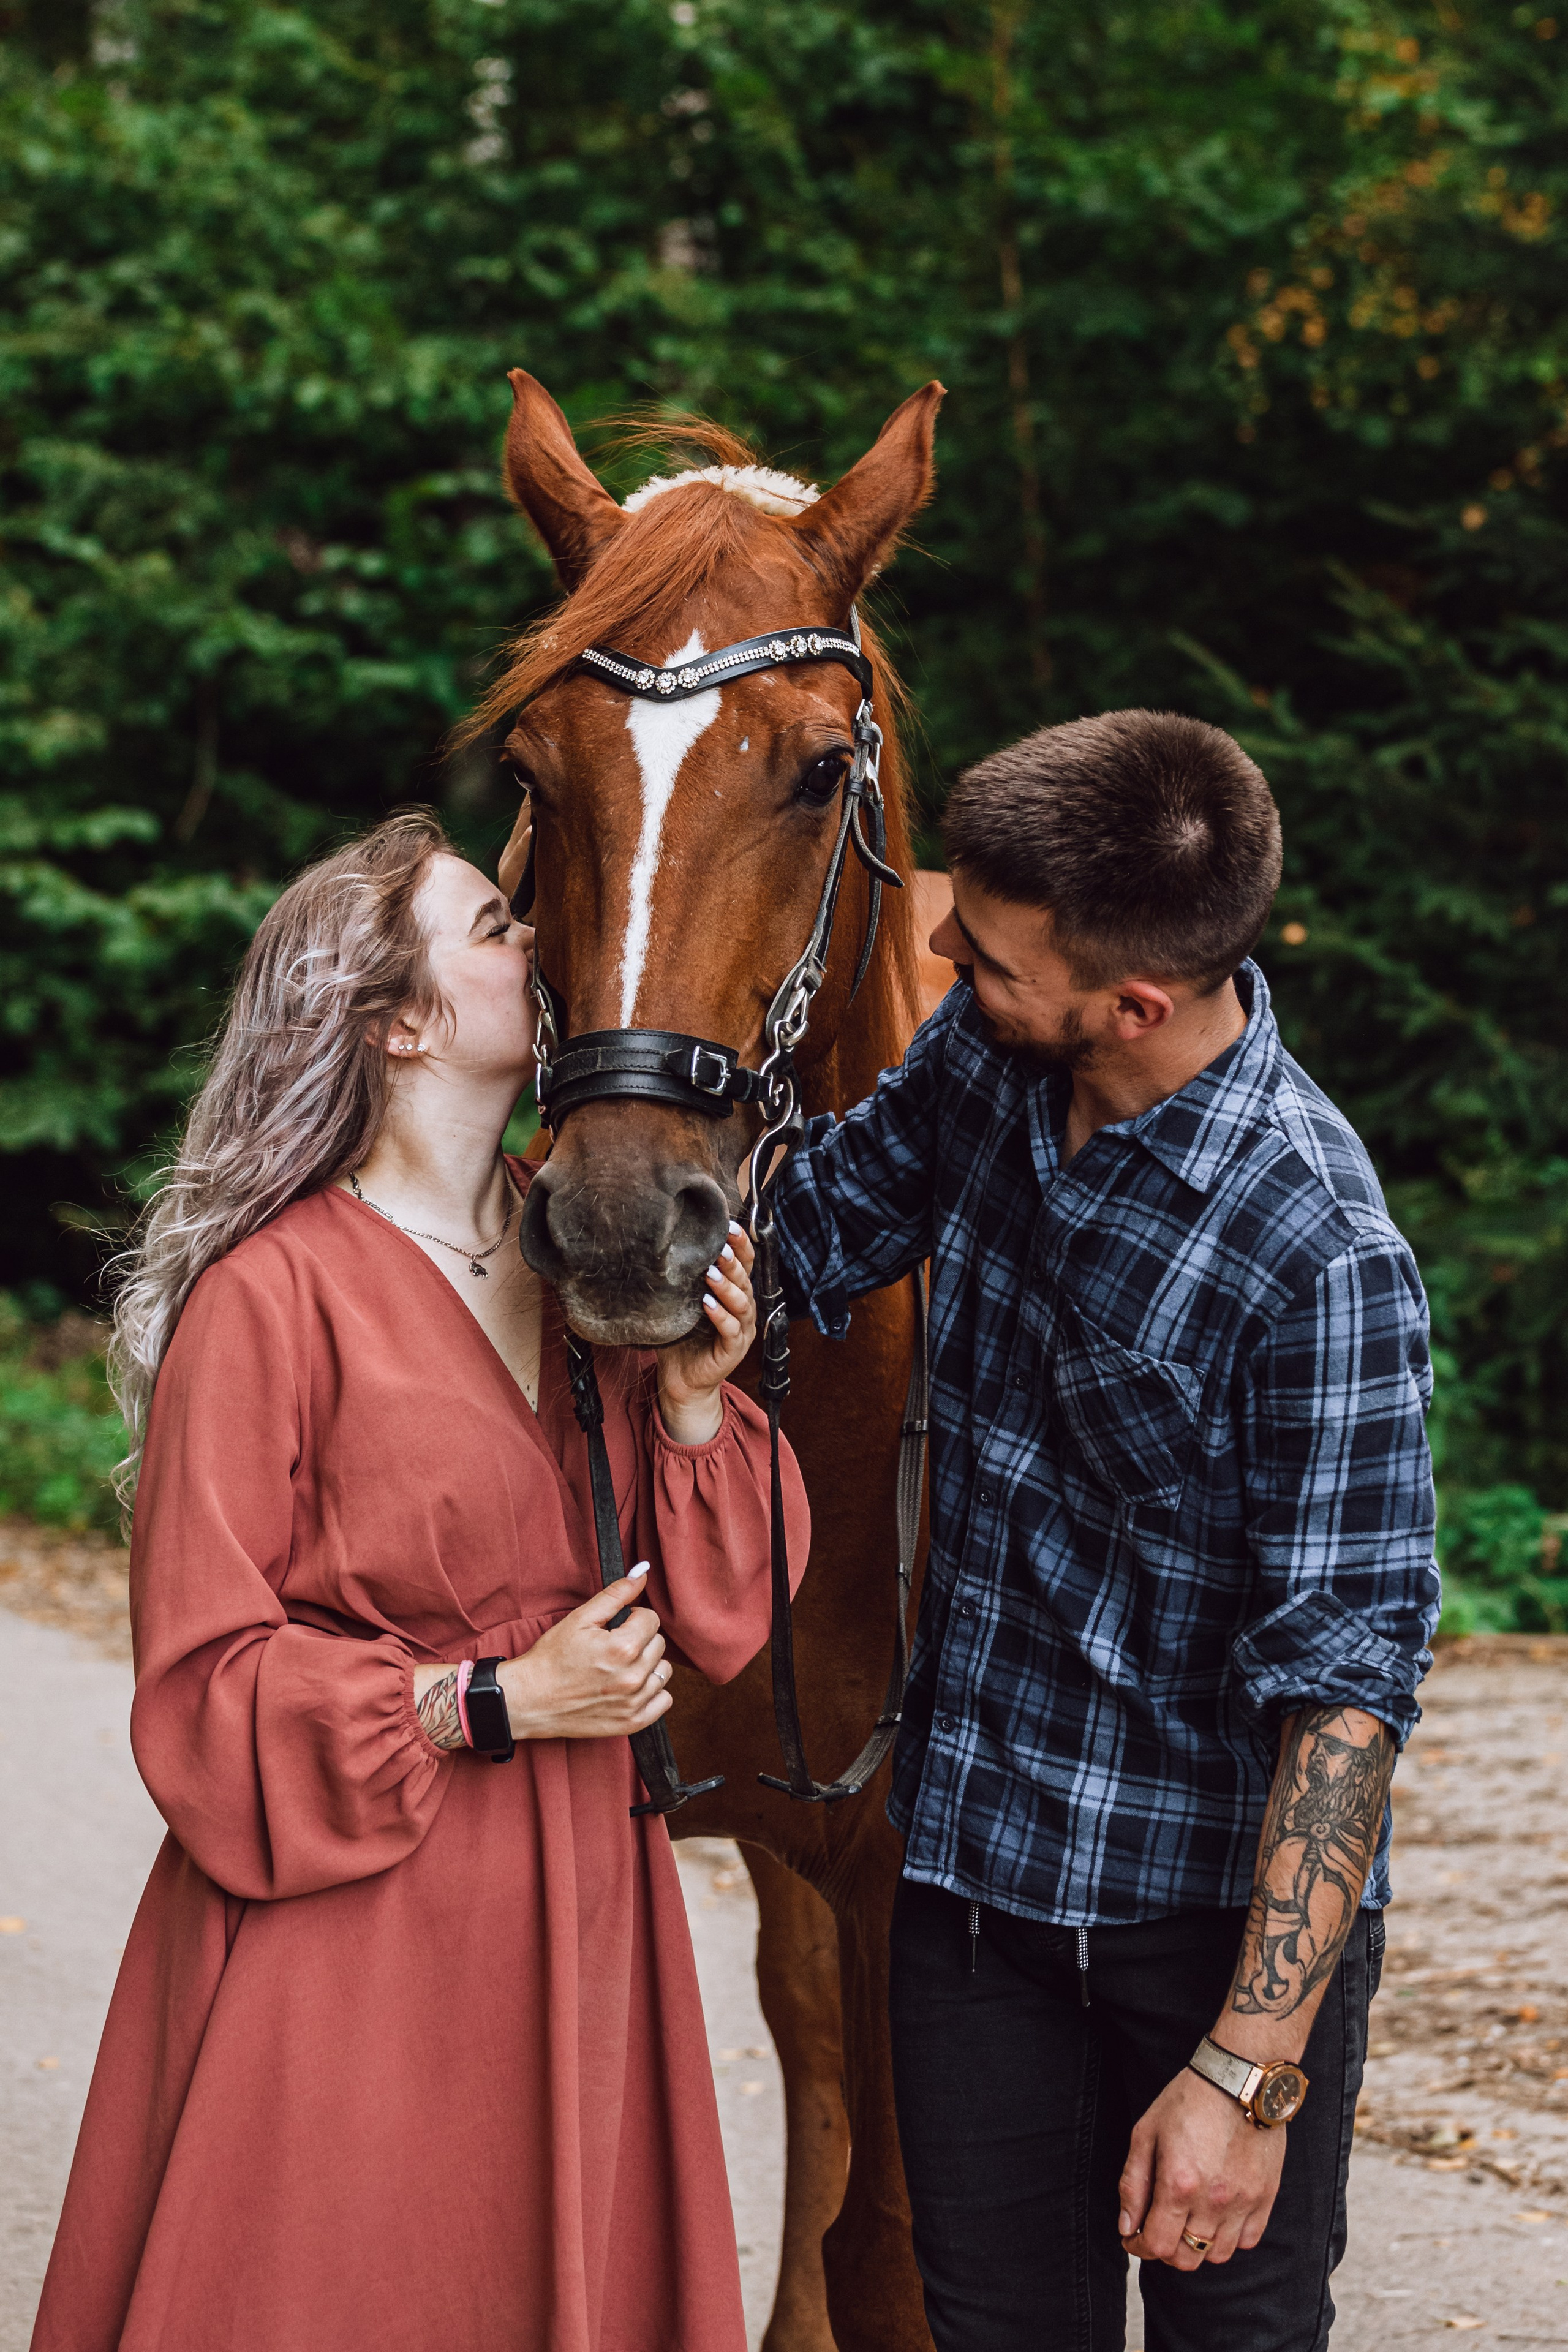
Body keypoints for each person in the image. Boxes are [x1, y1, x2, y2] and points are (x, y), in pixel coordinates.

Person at [31, 810, 806, 2352]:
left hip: (584, 1894)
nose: (543, 947)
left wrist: (702, 1397)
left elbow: (721, 1611)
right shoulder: (270, 1296)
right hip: (358, 1924)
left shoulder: (580, 1261)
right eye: (494, 930)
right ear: (399, 1020)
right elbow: (201, 1691)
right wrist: (493, 1699)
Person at [769, 712, 1439, 2352]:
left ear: (1133, 1002)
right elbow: (806, 1236)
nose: (937, 949)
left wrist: (1243, 2070)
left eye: (983, 951)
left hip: (1200, 1932)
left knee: (1236, 2338)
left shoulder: (1322, 1249)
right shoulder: (987, 1062)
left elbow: (1344, 1700)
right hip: (974, 1894)